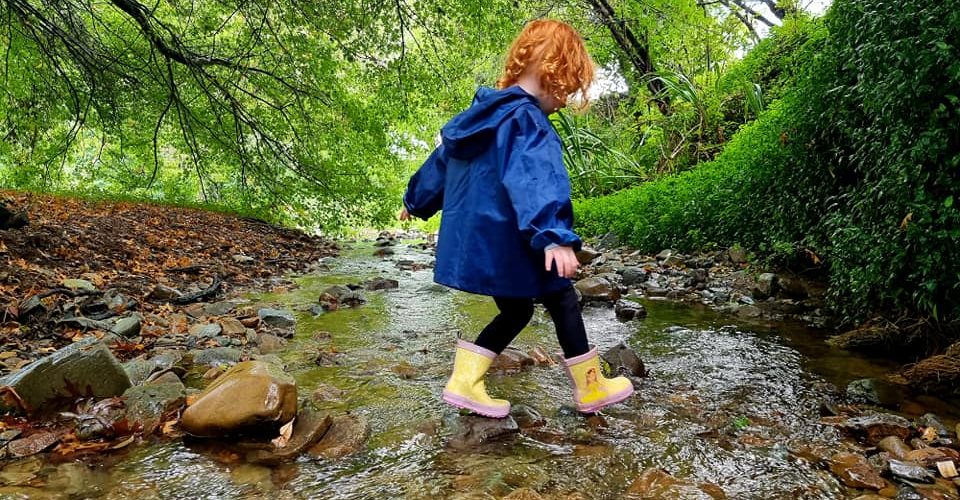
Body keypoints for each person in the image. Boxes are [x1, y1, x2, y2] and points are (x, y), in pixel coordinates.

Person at [400, 19, 633, 417]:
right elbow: (535, 177)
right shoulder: (526, 119)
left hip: (483, 244)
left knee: (517, 309)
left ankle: (465, 381)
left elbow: (441, 162)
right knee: (562, 297)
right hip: (516, 237)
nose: (563, 101)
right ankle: (590, 388)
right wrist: (554, 234)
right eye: (566, 90)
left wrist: (415, 200)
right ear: (556, 71)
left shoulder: (477, 119)